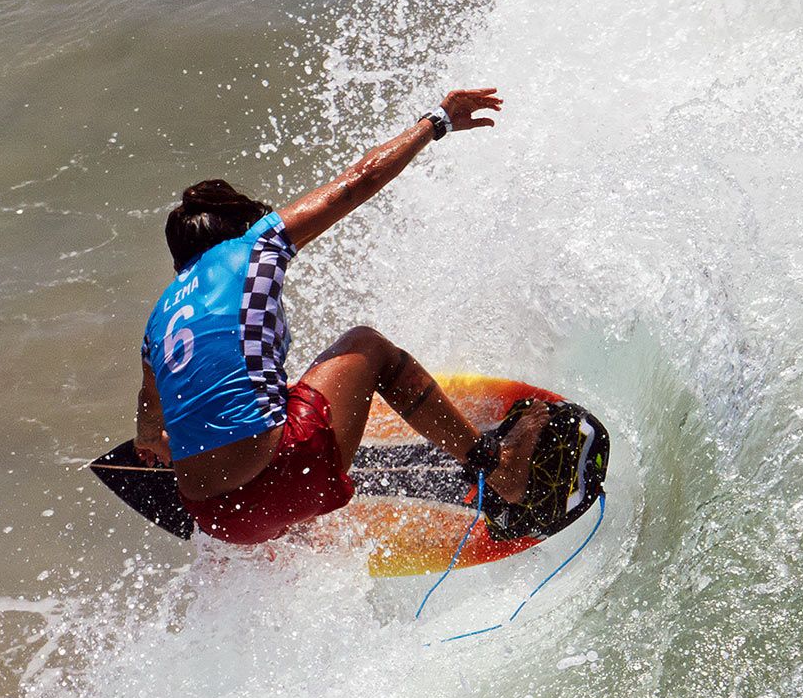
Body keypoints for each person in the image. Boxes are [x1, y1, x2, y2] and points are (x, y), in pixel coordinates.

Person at [134, 87, 551, 546]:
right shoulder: (253, 247)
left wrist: (160, 443)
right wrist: (439, 120)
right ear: (239, 227)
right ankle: (498, 469)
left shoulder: (159, 321)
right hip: (287, 475)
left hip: (219, 519)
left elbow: (150, 425)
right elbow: (360, 180)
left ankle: (299, 538)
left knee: (272, 390)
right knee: (367, 346)